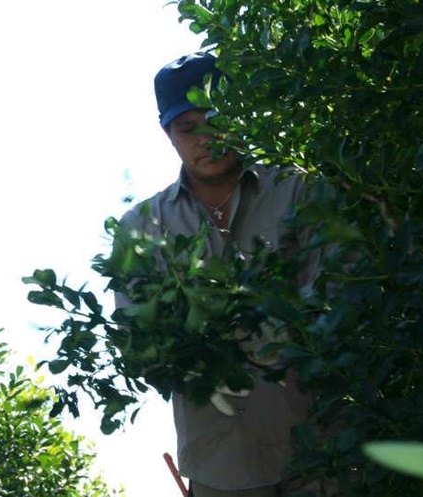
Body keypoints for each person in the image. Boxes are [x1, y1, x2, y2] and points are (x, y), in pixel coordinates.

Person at [115, 52, 318, 497]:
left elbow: (335, 296)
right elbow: (140, 341)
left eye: (216, 118)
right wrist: (192, 365)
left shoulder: (298, 191)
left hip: (323, 449)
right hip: (220, 463)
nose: (205, 138)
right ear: (168, 133)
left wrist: (271, 338)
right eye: (187, 128)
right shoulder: (141, 227)